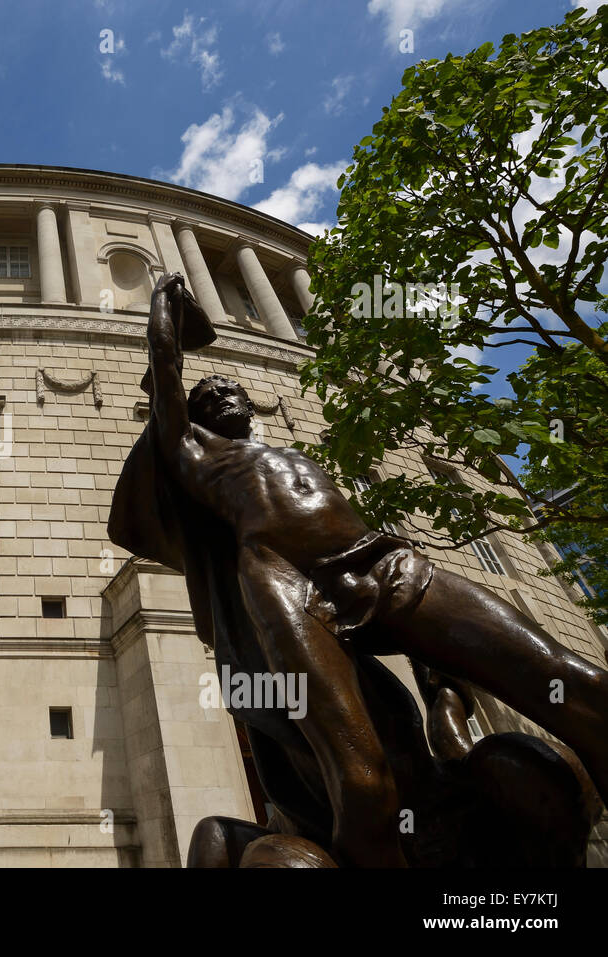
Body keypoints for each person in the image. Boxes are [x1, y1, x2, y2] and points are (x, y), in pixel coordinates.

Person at [136, 270, 608, 867]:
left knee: (577, 683)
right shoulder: (193, 454)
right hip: (286, 580)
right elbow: (164, 374)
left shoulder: (283, 451)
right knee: (361, 781)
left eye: (233, 388)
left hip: (379, 562)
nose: (227, 393)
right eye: (211, 395)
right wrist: (163, 305)